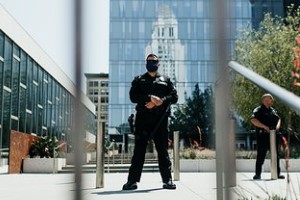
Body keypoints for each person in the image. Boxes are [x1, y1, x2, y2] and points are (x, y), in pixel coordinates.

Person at [122, 53, 178, 190]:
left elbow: (174, 97)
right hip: (143, 119)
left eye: (154, 61)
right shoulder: (139, 80)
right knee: (139, 151)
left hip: (161, 120)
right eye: (149, 61)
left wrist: (160, 101)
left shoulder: (166, 80)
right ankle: (132, 181)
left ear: (158, 64)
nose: (151, 63)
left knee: (162, 150)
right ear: (146, 63)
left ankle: (168, 180)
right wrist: (150, 98)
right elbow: (133, 96)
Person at [250, 93, 285, 180]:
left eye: (269, 100)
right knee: (261, 155)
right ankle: (257, 174)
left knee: (276, 155)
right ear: (263, 100)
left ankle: (277, 173)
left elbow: (279, 119)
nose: (267, 101)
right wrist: (264, 126)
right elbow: (253, 120)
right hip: (263, 136)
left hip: (273, 136)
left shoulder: (273, 110)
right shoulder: (258, 110)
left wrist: (277, 126)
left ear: (271, 101)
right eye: (266, 100)